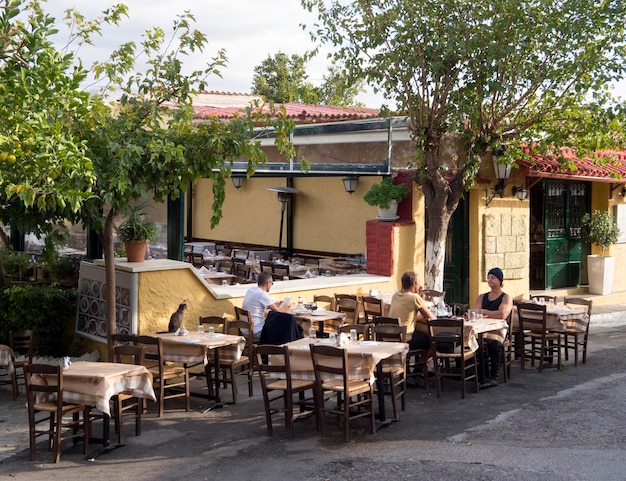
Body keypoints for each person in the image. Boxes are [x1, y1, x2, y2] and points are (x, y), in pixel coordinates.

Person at [388, 271, 435, 386]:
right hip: (405, 339)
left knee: (420, 335)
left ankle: (408, 372)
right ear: (414, 284)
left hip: (391, 337)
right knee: (434, 342)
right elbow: (431, 318)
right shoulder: (414, 298)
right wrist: (421, 300)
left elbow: (406, 308)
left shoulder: (396, 295)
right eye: (418, 284)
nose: (419, 286)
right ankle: (417, 372)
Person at [473, 267, 513, 385]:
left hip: (497, 329)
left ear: (500, 280)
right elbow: (476, 312)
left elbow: (501, 314)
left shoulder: (505, 297)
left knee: (493, 344)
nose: (489, 280)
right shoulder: (482, 297)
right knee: (474, 342)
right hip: (482, 328)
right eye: (488, 277)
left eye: (493, 278)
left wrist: (483, 311)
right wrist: (488, 312)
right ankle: (481, 373)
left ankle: (494, 374)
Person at [241, 272, 292, 339]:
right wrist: (286, 306)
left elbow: (259, 304)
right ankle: (281, 348)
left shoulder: (251, 290)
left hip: (245, 330)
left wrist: (273, 304)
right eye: (271, 283)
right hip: (257, 331)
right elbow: (279, 312)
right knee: (285, 327)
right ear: (268, 283)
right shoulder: (262, 294)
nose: (271, 286)